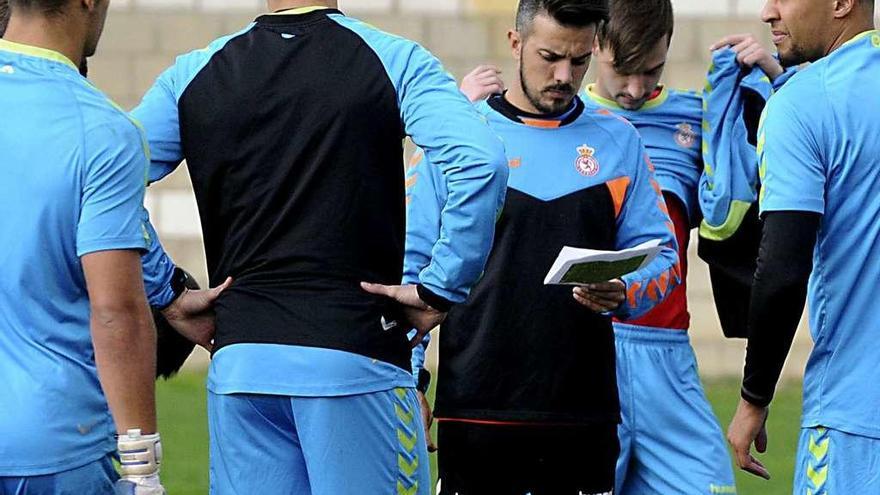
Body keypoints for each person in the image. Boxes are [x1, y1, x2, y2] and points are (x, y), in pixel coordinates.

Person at [130, 1, 508, 493]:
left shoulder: (193, 72)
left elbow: (103, 177)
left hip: (243, 364)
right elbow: (480, 163)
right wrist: (440, 289)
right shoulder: (393, 58)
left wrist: (170, 292)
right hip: (355, 357)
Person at [407, 1, 681, 493]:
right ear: (515, 44)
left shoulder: (618, 141)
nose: (564, 75)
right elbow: (411, 264)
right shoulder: (462, 140)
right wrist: (409, 381)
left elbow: (664, 257)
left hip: (583, 414)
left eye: (578, 61)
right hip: (477, 410)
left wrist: (624, 289)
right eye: (549, 56)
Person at [0, 1, 227, 494]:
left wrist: (167, 291)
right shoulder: (101, 131)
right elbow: (117, 312)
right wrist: (143, 471)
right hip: (49, 447)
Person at [726, 0, 880, 493]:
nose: (768, 11)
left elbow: (782, 270)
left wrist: (754, 397)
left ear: (841, 4)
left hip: (856, 415)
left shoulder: (804, 102)